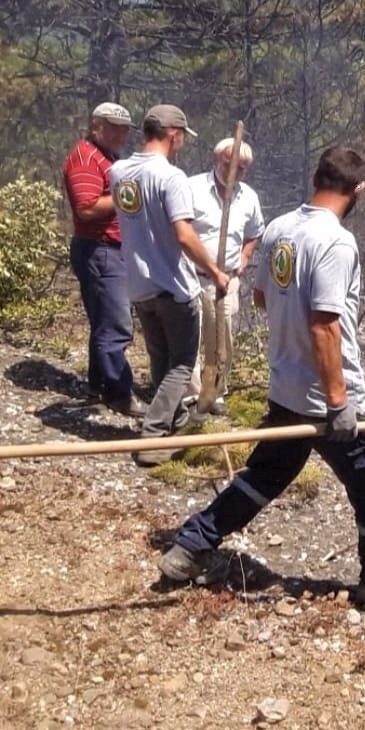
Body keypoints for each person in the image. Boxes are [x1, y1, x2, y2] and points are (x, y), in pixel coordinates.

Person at [158, 145, 365, 605]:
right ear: (358, 190)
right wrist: (339, 403)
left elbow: (263, 298)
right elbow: (325, 325)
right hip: (331, 396)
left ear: (316, 177)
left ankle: (191, 545)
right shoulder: (337, 242)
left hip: (286, 388)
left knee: (264, 476)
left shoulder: (281, 227)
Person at [110, 105, 230, 467]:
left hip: (139, 283)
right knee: (180, 364)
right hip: (173, 285)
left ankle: (175, 420)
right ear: (173, 134)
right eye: (181, 137)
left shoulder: (119, 172)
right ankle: (153, 435)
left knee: (160, 358)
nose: (181, 144)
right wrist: (215, 270)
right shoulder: (171, 177)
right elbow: (183, 234)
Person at [61, 102, 143, 417]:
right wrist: (129, 197)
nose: (123, 134)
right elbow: (86, 208)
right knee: (116, 324)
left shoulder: (104, 157)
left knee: (103, 323)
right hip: (100, 249)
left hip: (107, 249)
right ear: (97, 127)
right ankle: (119, 392)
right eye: (116, 127)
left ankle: (98, 386)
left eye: (125, 128)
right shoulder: (85, 158)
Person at [187, 136, 265, 414]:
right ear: (215, 159)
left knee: (222, 339)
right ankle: (193, 394)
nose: (234, 170)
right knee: (189, 338)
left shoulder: (248, 197)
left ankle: (215, 391)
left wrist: (245, 256)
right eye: (229, 162)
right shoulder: (192, 188)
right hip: (191, 275)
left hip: (227, 280)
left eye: (242, 167)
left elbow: (255, 232)